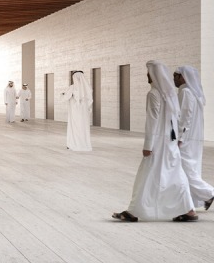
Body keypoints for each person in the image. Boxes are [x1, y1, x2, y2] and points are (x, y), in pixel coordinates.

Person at [112, 61, 197, 222]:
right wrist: (179, 138)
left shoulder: (154, 94)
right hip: (170, 142)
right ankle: (189, 209)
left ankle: (134, 211)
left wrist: (147, 146)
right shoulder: (170, 94)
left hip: (158, 142)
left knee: (147, 174)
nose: (147, 75)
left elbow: (152, 121)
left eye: (149, 72)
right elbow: (177, 120)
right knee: (175, 174)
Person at [175, 65, 214, 210]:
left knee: (186, 169)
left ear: (183, 77)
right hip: (194, 138)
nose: (173, 78)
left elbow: (185, 117)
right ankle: (193, 201)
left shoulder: (185, 92)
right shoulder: (194, 93)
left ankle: (209, 193)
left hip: (186, 139)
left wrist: (180, 138)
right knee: (192, 168)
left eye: (175, 75)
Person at [61, 71, 93, 151]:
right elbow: (90, 100)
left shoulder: (72, 87)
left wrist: (62, 95)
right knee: (83, 128)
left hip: (75, 111)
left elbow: (65, 98)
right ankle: (84, 144)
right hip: (84, 112)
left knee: (74, 127)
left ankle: (73, 144)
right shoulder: (87, 87)